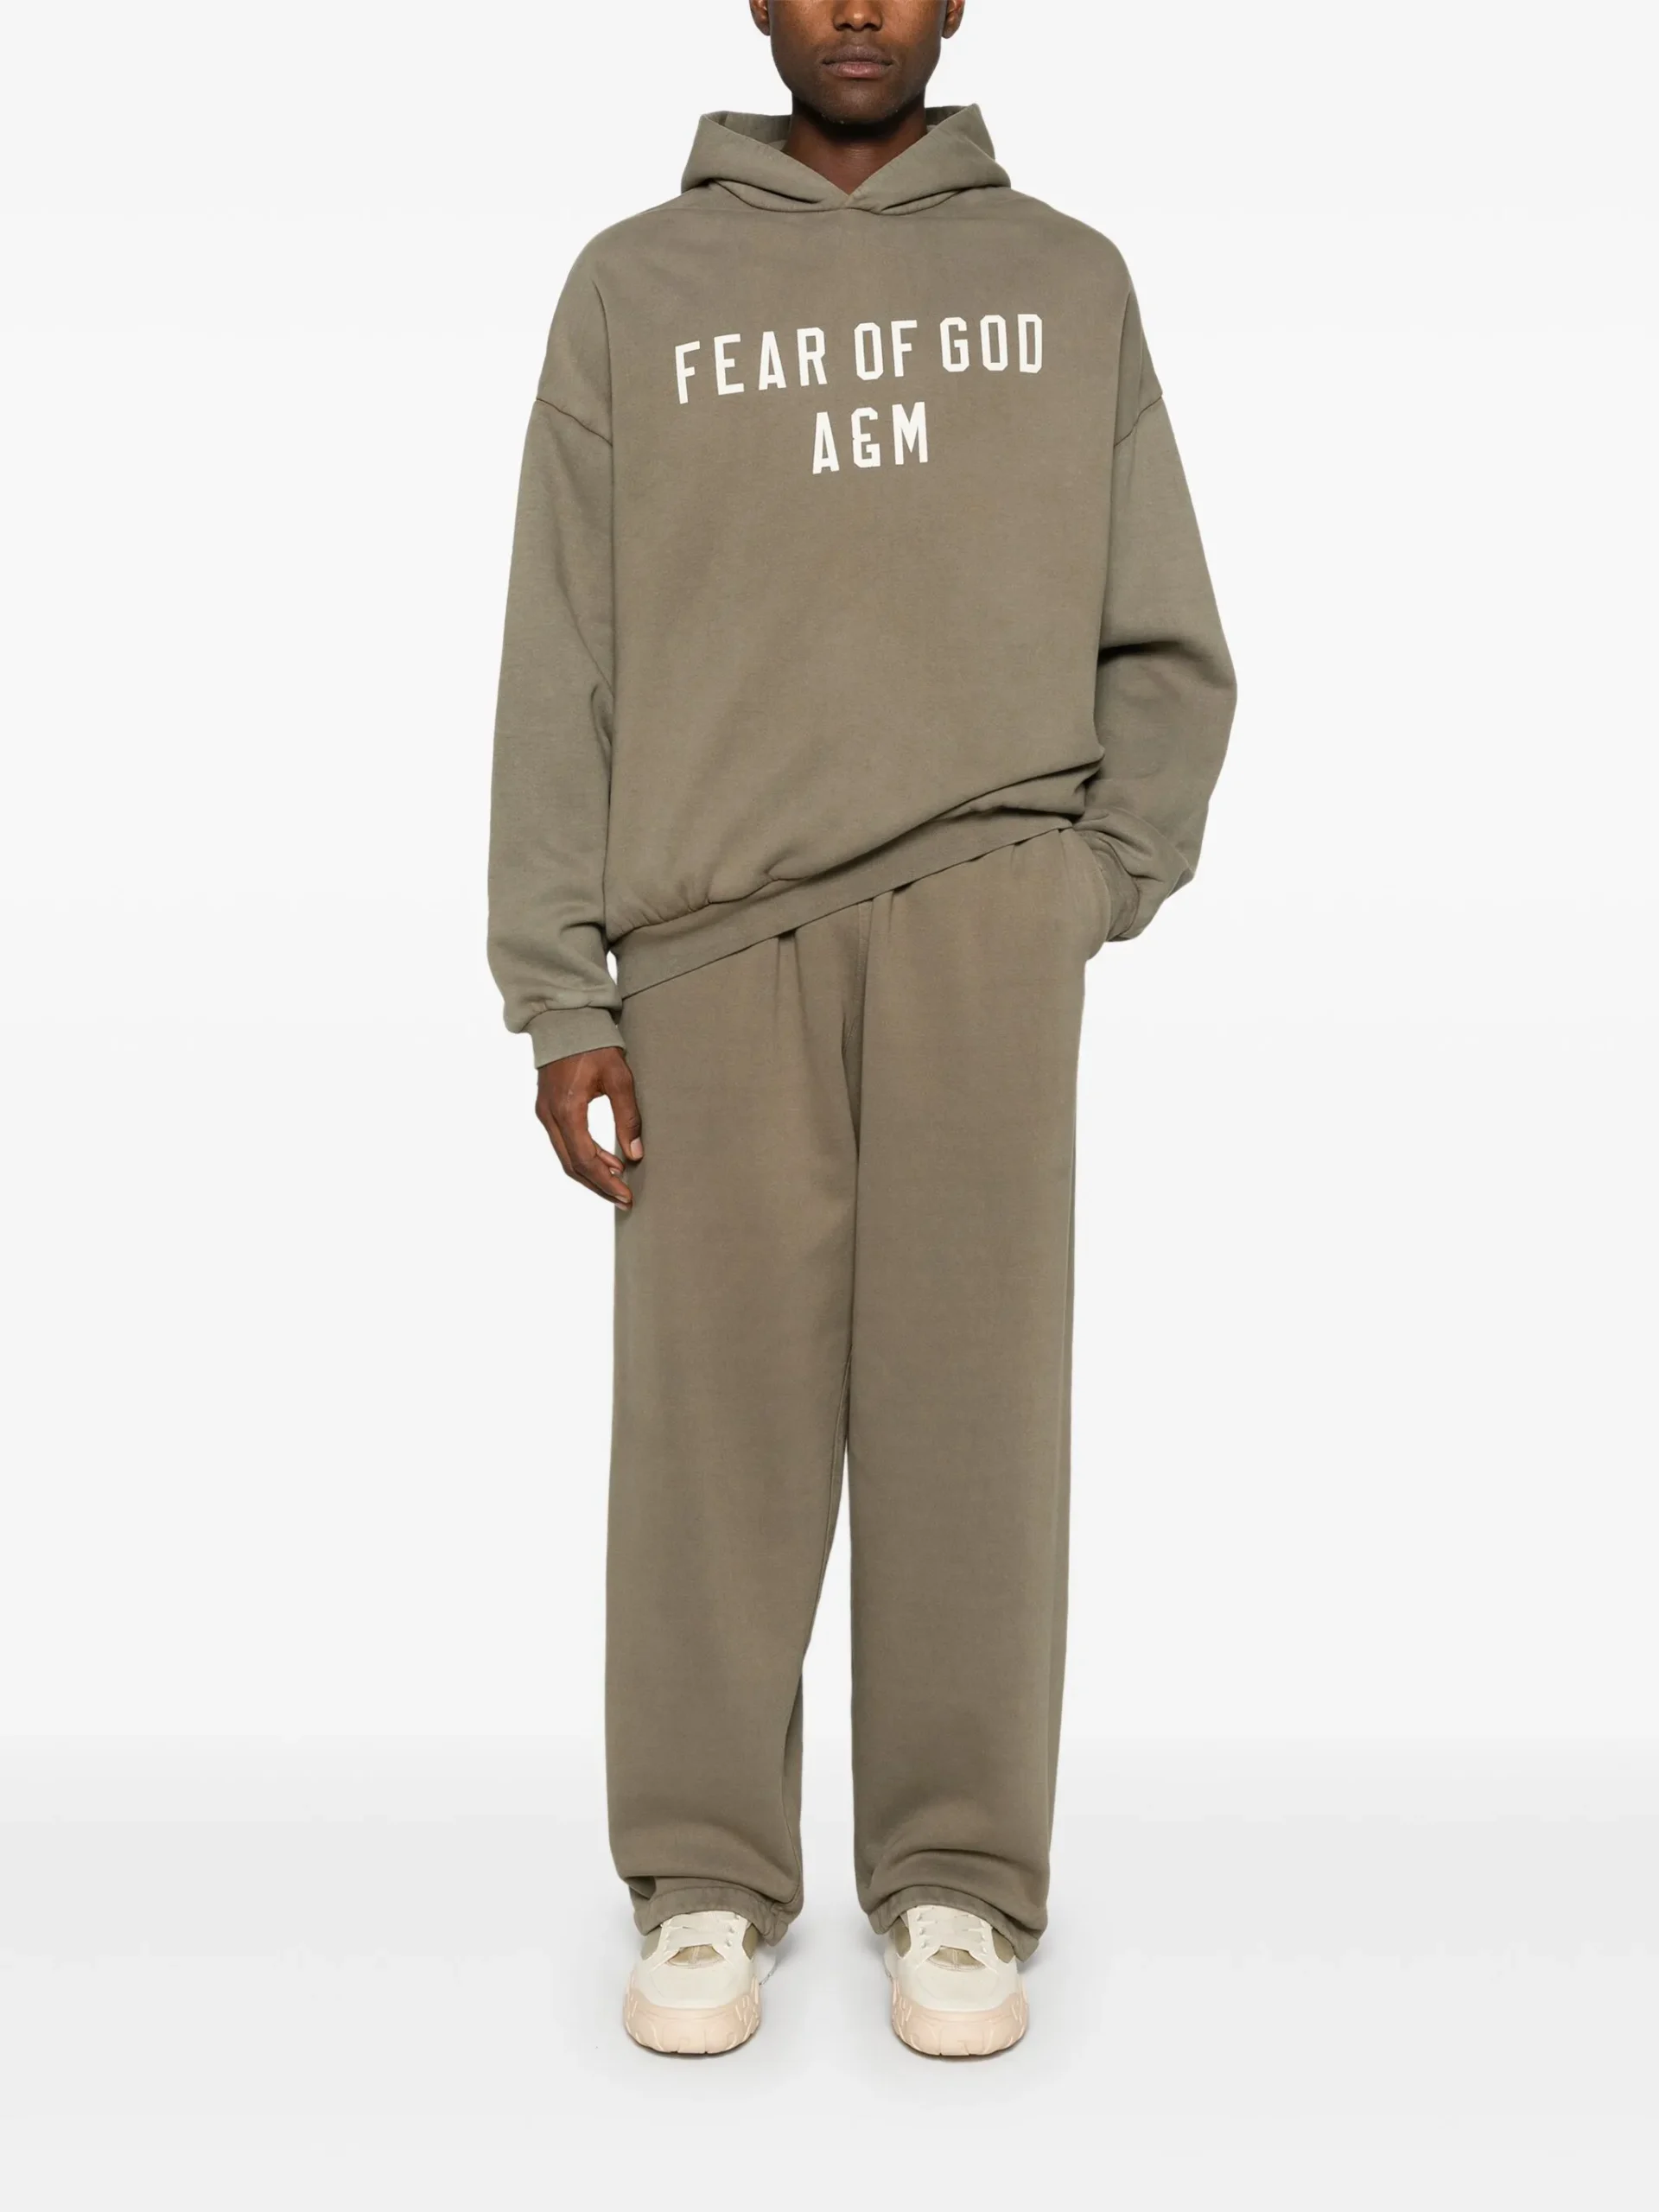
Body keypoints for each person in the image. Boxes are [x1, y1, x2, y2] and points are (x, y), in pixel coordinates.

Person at [487, 0, 1235, 2060]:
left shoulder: (1065, 280)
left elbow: (1168, 640)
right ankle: (704, 1874)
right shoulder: (635, 287)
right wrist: (559, 985)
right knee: (708, 1432)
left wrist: (1091, 881)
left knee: (972, 1411)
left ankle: (960, 1872)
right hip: (712, 937)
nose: (856, 9)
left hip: (987, 916)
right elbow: (563, 646)